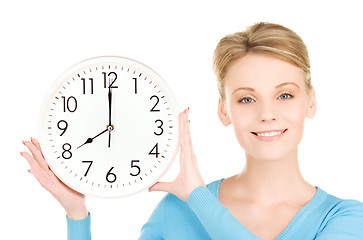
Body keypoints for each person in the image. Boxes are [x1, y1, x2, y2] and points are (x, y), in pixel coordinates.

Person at [21, 22, 363, 240]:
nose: (267, 114)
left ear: (311, 102)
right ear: (224, 110)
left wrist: (199, 198)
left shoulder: (346, 218)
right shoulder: (176, 212)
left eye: (284, 94)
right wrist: (76, 216)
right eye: (246, 99)